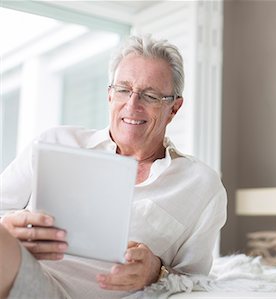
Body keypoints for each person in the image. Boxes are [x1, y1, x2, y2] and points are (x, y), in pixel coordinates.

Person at [0, 34, 227, 299]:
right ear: (109, 94)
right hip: (20, 273)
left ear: (174, 109)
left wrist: (156, 271)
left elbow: (196, 282)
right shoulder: (55, 142)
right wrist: (9, 227)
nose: (132, 105)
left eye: (150, 95)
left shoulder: (201, 186)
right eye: (123, 90)